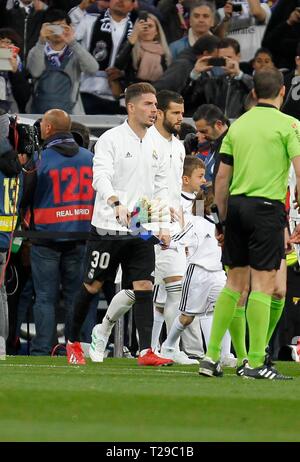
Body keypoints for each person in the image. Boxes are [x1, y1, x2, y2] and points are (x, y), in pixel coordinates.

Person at [198, 68, 300, 380]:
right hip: (267, 208)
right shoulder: (289, 124)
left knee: (235, 284)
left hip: (237, 207)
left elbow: (222, 178)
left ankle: (211, 356)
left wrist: (223, 220)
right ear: (282, 92)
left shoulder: (237, 127)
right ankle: (255, 362)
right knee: (265, 285)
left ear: (253, 93)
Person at [66, 82, 173, 367]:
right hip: (107, 225)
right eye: (149, 104)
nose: (155, 110)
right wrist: (115, 203)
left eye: (155, 105)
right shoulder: (110, 139)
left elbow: (160, 187)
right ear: (131, 107)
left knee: (144, 286)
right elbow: (100, 176)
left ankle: (146, 351)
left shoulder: (157, 144)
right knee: (92, 286)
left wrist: (161, 224)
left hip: (139, 226)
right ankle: (73, 341)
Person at [20, 109, 95, 356]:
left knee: (44, 297)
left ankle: (44, 348)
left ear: (49, 129)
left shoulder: (40, 159)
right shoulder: (90, 158)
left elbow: (24, 198)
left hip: (45, 238)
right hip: (82, 236)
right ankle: (79, 348)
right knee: (78, 296)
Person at [160, 185, 235, 366]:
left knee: (227, 311)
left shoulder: (225, 223)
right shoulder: (197, 222)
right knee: (187, 317)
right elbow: (180, 239)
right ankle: (168, 346)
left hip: (218, 274)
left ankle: (225, 355)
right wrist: (169, 242)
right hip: (197, 274)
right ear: (211, 203)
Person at [69, 0, 135, 115]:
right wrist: (81, 7)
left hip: (118, 96)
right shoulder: (90, 20)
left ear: (133, 5)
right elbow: (69, 36)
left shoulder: (135, 30)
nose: (120, 1)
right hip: (87, 90)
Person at [27, 9, 98, 114]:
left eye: (61, 26)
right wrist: (41, 41)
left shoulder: (76, 51)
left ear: (70, 27)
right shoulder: (37, 50)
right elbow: (35, 72)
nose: (57, 31)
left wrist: (72, 42)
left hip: (70, 112)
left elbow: (93, 68)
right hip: (38, 111)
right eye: (53, 27)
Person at [114, 13, 172, 89]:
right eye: (142, 26)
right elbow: (118, 65)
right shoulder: (130, 47)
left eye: (150, 26)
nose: (146, 28)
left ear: (156, 32)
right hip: (132, 91)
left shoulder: (164, 52)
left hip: (155, 93)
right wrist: (133, 38)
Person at [192, 104, 229, 183]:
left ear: (218, 124)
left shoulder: (231, 145)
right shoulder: (215, 144)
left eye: (204, 131)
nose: (203, 136)